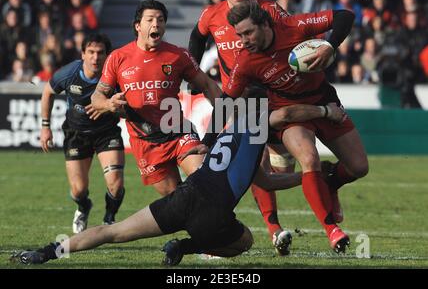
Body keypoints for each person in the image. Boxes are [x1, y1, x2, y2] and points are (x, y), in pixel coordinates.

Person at [10, 102, 346, 266]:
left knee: (112, 232)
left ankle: (44, 254)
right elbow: (285, 118)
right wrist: (326, 112)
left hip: (184, 198)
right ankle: (184, 248)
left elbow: (266, 181)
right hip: (212, 213)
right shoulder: (257, 122)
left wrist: (307, 177)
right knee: (244, 242)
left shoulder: (230, 135)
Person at [201, 1, 369, 253]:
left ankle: (330, 181)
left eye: (248, 33)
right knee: (309, 158)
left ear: (265, 24)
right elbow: (225, 102)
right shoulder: (246, 61)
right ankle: (332, 230)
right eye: (239, 35)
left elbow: (345, 16)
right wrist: (207, 141)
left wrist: (329, 47)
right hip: (291, 113)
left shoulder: (294, 26)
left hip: (324, 99)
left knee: (359, 167)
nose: (243, 40)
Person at [188, 0, 294, 255]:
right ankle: (274, 229)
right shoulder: (211, 15)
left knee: (285, 164)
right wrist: (193, 73)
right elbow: (196, 39)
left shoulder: (270, 10)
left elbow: (290, 41)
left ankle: (327, 190)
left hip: (277, 96)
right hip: (240, 102)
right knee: (255, 164)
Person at [90, 0, 222, 197]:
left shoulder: (178, 56)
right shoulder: (118, 57)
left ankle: (225, 225)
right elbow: (96, 96)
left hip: (178, 132)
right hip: (146, 142)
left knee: (204, 180)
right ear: (138, 26)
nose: (156, 24)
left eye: (161, 20)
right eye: (150, 19)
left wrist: (225, 112)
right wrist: (109, 104)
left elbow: (208, 85)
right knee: (177, 202)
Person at [39, 33, 126, 234]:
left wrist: (108, 107)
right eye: (91, 52)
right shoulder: (70, 73)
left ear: (108, 55)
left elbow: (127, 107)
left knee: (116, 184)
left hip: (107, 133)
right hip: (76, 133)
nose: (96, 58)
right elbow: (48, 92)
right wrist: (45, 127)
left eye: (100, 53)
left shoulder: (116, 75)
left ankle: (109, 220)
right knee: (78, 190)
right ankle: (83, 207)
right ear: (83, 54)